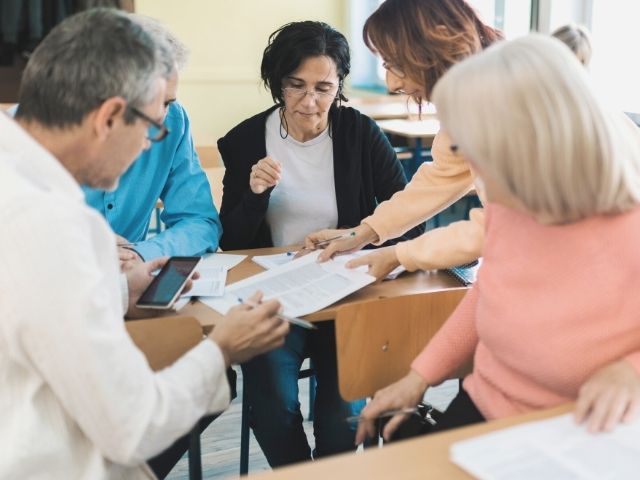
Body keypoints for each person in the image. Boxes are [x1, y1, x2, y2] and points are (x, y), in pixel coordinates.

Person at [0, 9, 288, 478]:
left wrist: (120, 289)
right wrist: (223, 350)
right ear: (111, 116)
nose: (152, 141)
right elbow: (132, 425)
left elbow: (30, 309)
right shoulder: (53, 223)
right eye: (152, 126)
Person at [355, 34, 640, 445]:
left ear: (539, 143)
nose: (478, 174)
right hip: (487, 406)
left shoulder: (626, 225)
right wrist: (418, 378)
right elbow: (490, 292)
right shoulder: (516, 206)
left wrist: (629, 369)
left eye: (484, 153)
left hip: (578, 432)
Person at [217, 20, 422, 467]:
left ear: (339, 86)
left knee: (343, 412)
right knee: (270, 405)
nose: (310, 102)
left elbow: (410, 221)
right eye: (296, 86)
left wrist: (359, 241)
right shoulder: (245, 140)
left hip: (343, 293)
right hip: (276, 296)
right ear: (277, 82)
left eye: (324, 88)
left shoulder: (359, 134)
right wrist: (253, 196)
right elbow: (229, 243)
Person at [305, 0, 502, 280]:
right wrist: (361, 233)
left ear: (435, 43)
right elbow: (440, 178)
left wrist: (401, 254)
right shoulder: (473, 95)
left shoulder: (504, 99)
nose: (391, 84)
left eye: (394, 64)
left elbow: (507, 227)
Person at [83, 14, 221, 270]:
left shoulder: (173, 121)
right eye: (155, 102)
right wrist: (85, 249)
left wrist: (140, 254)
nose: (162, 117)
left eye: (168, 102)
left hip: (130, 283)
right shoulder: (23, 133)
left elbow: (201, 222)